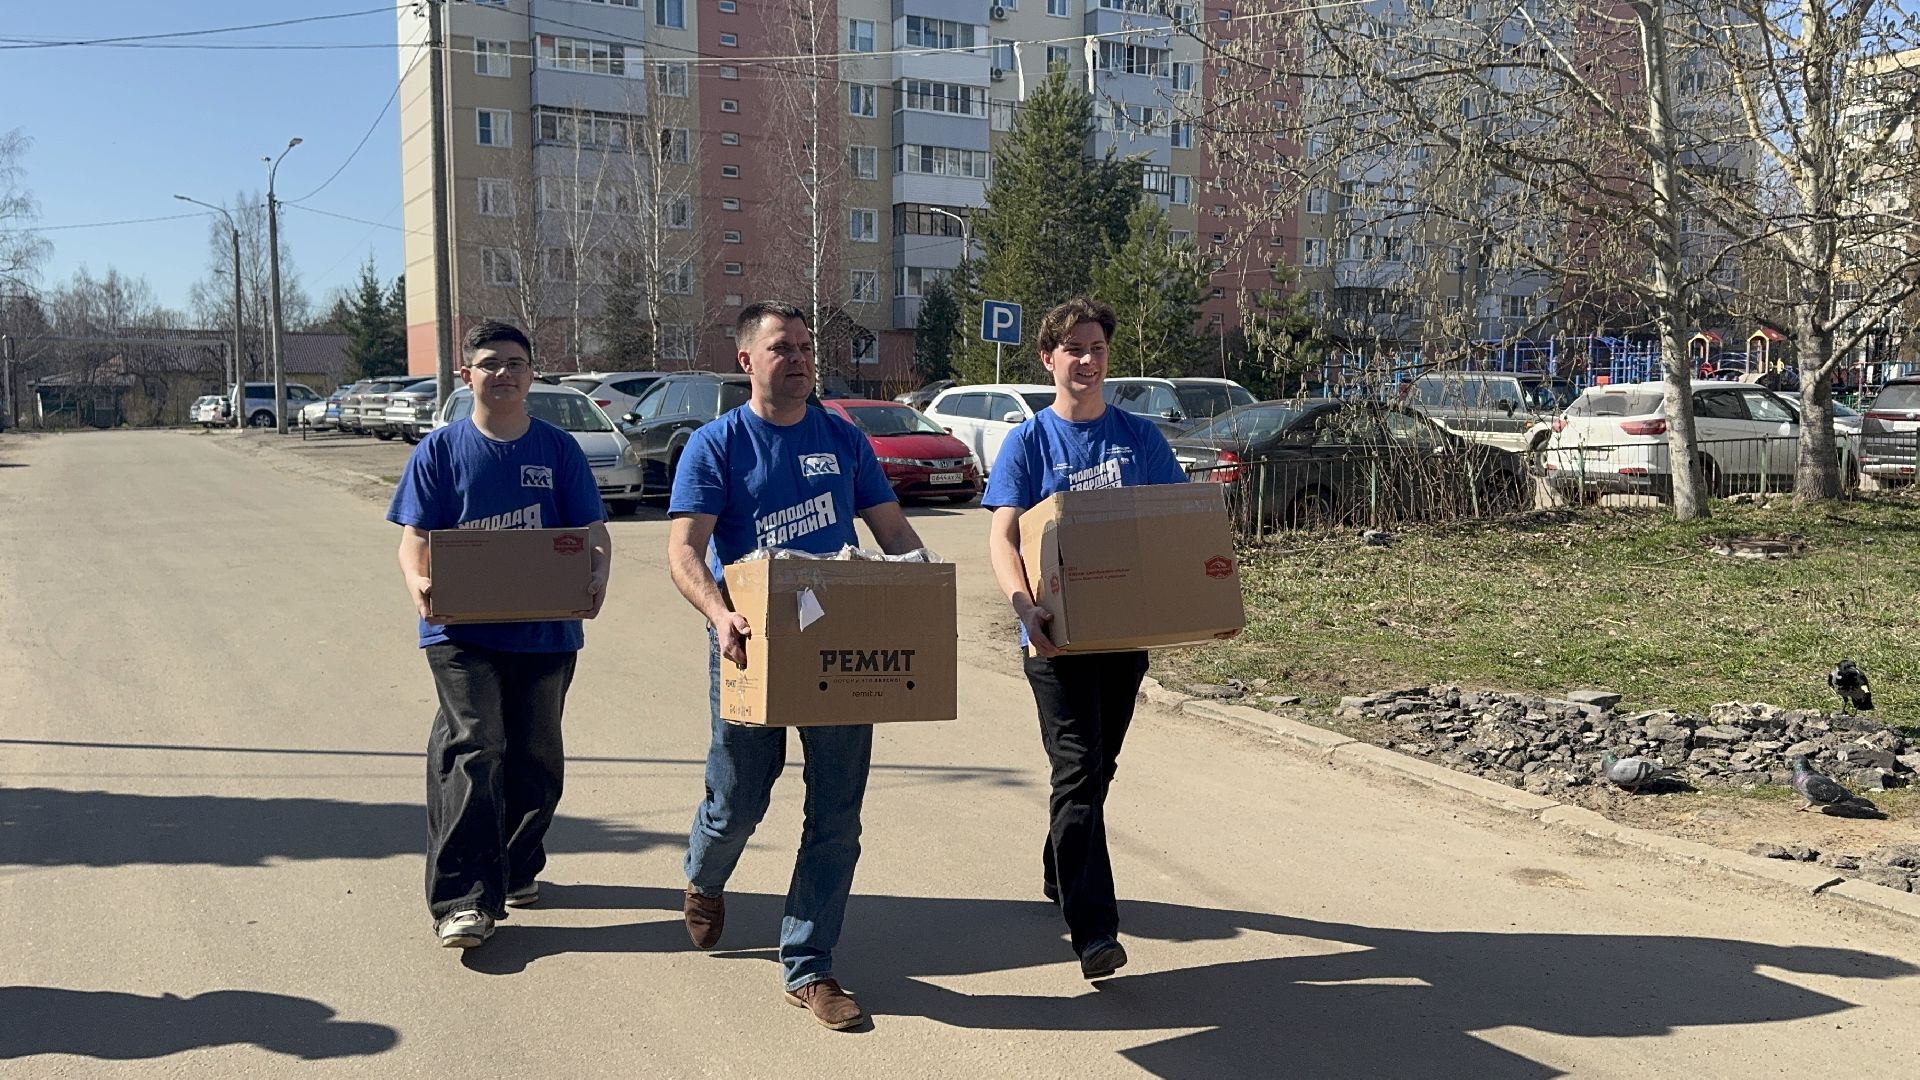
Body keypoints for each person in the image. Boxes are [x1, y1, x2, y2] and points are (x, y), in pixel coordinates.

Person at [666, 301, 926, 1031]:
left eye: (807, 347)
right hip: (752, 647)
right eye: (784, 347)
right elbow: (685, 550)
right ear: (747, 360)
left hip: (839, 648)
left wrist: (922, 584)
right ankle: (705, 875)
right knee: (740, 800)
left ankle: (809, 966)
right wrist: (720, 615)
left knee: (837, 816)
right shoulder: (716, 445)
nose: (802, 358)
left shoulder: (842, 438)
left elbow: (893, 529)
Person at [387, 320, 612, 948]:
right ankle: (462, 898)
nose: (504, 374)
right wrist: (421, 589)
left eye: (516, 363)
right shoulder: (440, 451)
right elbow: (414, 544)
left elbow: (593, 536)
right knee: (475, 744)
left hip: (545, 634)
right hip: (460, 633)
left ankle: (515, 866)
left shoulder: (558, 450)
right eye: (490, 363)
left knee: (536, 755)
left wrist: (596, 578)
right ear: (467, 376)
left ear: (532, 374)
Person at [982, 297, 1189, 981]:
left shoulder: (1140, 439)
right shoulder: (1029, 442)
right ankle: (1094, 929)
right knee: (1076, 770)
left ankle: (1058, 866)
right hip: (1054, 639)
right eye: (1072, 348)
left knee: (1096, 771)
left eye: (1097, 348)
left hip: (1122, 639)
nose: (1086, 360)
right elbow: (1003, 534)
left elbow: (1172, 524)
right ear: (1048, 358)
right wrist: (1023, 605)